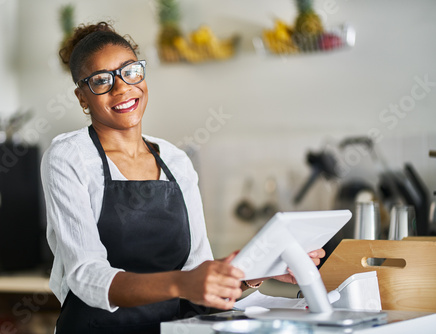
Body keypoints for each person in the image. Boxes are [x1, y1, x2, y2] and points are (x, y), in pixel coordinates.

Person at [41, 21, 325, 334]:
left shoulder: (176, 161)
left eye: (130, 71)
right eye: (101, 80)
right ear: (82, 97)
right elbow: (86, 276)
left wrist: (258, 270)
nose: (121, 87)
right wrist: (182, 283)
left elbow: (196, 276)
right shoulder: (69, 157)